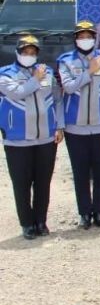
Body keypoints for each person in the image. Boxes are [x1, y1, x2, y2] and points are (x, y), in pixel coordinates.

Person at [58, 20, 100, 229]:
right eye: (81, 37)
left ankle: (99, 212)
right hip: (75, 127)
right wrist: (89, 72)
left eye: (89, 36)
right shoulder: (65, 61)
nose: (85, 40)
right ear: (75, 39)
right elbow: (68, 87)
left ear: (95, 38)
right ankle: (84, 213)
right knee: (81, 172)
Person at [0, 35, 64, 239]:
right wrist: (35, 79)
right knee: (22, 183)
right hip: (17, 139)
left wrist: (59, 126)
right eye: (25, 52)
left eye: (33, 52)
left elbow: (57, 99)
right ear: (17, 52)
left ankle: (41, 221)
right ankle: (26, 224)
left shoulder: (47, 73)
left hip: (45, 137)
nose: (29, 55)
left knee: (42, 182)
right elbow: (17, 93)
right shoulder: (5, 74)